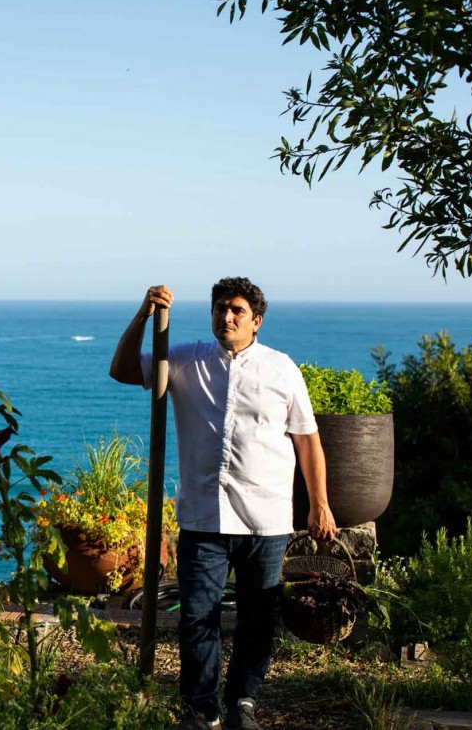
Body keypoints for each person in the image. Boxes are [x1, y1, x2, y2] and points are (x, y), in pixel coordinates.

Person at [109, 278, 337, 730]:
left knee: (257, 619)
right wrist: (143, 315)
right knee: (197, 616)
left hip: (266, 519)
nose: (225, 317)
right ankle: (202, 708)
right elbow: (122, 370)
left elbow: (307, 441)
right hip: (203, 516)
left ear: (257, 319)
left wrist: (320, 503)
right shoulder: (185, 358)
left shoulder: (281, 369)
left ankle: (243, 704)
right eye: (218, 309)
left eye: (235, 310)